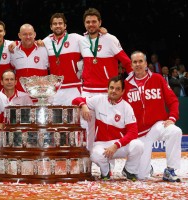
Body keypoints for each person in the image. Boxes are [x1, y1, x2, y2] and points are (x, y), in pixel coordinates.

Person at [79, 8, 132, 153]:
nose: (91, 24)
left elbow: (126, 62)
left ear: (100, 22)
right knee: (85, 126)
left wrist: (134, 81)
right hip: (88, 90)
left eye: (94, 21)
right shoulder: (81, 40)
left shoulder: (110, 39)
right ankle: (87, 158)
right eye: (88, 22)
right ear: (84, 24)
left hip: (107, 90)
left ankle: (108, 163)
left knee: (107, 127)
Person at [124, 51, 182, 182]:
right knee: (141, 177)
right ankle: (142, 167)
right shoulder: (126, 84)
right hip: (139, 133)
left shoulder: (157, 78)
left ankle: (170, 170)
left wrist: (172, 118)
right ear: (131, 65)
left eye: (140, 61)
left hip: (157, 125)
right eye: (135, 62)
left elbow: (173, 100)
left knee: (175, 131)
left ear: (146, 64)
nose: (138, 64)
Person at [72, 76, 143, 181]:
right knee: (95, 155)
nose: (113, 91)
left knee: (138, 145)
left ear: (123, 91)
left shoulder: (126, 107)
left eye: (117, 89)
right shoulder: (99, 99)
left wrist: (116, 145)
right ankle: (105, 172)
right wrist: (83, 105)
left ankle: (129, 170)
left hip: (119, 145)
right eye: (111, 88)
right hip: (102, 144)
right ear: (107, 89)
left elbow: (133, 132)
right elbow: (75, 100)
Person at [42, 13, 84, 105]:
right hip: (55, 89)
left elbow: (92, 39)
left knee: (74, 118)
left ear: (65, 26)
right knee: (55, 118)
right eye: (55, 24)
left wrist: (100, 30)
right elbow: (30, 44)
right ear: (51, 27)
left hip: (73, 87)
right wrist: (16, 43)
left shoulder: (76, 38)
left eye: (60, 23)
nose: (58, 26)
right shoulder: (46, 41)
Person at [11, 23, 49, 93]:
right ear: (19, 35)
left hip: (40, 94)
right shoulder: (13, 51)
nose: (28, 37)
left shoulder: (44, 49)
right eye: (24, 34)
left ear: (34, 34)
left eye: (30, 34)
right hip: (20, 94)